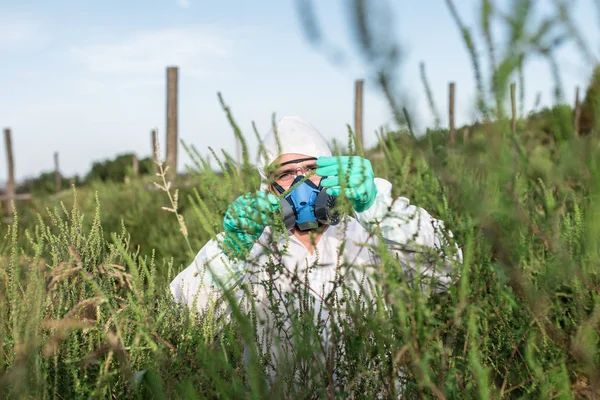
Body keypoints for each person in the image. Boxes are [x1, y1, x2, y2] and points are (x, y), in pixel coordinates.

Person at [169, 115, 462, 389]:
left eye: (311, 169)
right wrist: (230, 252)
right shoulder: (250, 245)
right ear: (268, 188)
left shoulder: (369, 233)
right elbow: (185, 316)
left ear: (332, 174)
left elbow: (446, 268)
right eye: (286, 174)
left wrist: (377, 205)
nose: (301, 182)